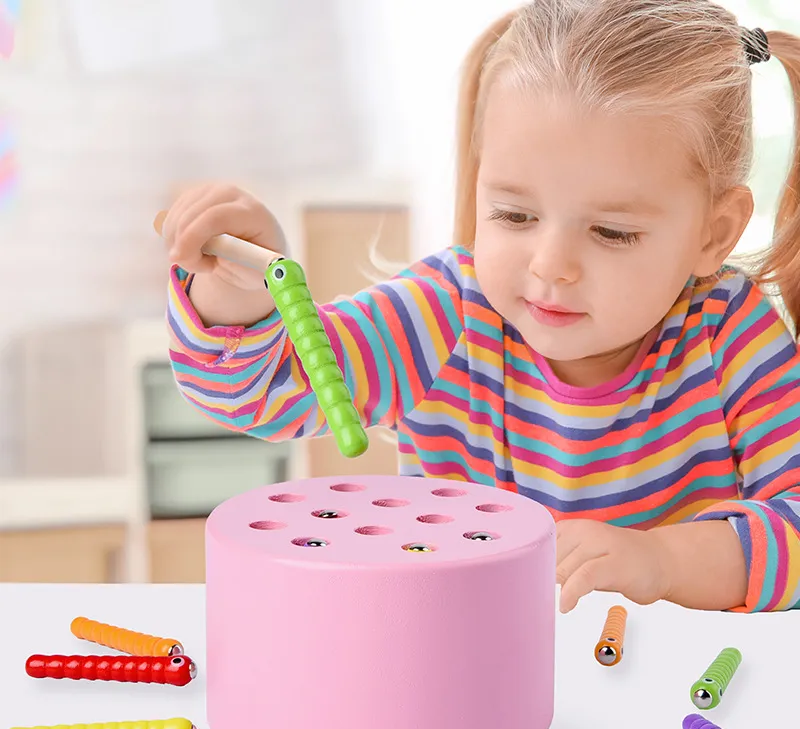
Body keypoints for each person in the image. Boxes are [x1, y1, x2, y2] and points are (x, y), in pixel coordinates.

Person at [160, 1, 800, 615]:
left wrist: (662, 561)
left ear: (714, 233)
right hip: (454, 656)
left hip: (673, 673)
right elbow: (258, 392)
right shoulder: (445, 315)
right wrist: (238, 292)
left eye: (611, 232)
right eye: (515, 215)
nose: (550, 265)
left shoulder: (729, 336)